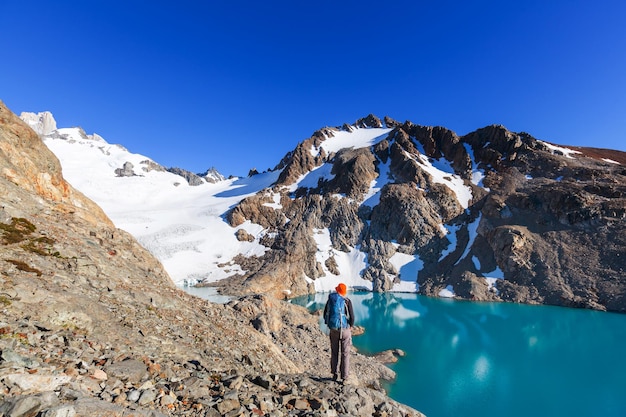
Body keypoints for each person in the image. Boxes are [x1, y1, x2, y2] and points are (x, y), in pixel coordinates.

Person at [323, 283, 354, 383]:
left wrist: (330, 325)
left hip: (333, 330)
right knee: (345, 354)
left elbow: (325, 314)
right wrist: (350, 326)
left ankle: (334, 374)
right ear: (344, 292)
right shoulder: (347, 301)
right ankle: (344, 378)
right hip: (344, 330)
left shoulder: (330, 300)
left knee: (334, 352)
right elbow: (352, 317)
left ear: (337, 290)